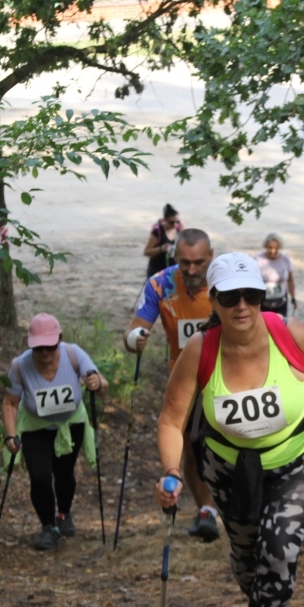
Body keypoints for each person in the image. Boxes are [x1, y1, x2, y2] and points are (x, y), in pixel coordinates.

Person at [154, 252, 304, 607]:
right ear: (215, 302)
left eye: (251, 295)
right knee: (247, 557)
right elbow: (171, 420)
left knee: (279, 546)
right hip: (230, 468)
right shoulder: (198, 352)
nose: (241, 306)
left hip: (300, 457)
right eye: (229, 297)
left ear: (263, 297)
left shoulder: (293, 335)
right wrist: (172, 471)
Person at [127, 229, 222, 542]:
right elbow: (135, 330)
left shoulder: (227, 282)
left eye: (199, 262)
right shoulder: (160, 284)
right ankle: (206, 510)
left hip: (229, 375)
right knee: (193, 448)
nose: (192, 270)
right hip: (186, 379)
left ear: (211, 256)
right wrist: (135, 340)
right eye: (185, 263)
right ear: (174, 258)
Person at [2, 313, 109, 550]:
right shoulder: (20, 365)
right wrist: (10, 435)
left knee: (64, 474)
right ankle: (48, 526)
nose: (45, 354)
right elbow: (9, 403)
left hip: (71, 425)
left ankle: (65, 513)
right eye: (38, 348)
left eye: (50, 347)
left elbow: (101, 382)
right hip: (35, 427)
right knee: (39, 478)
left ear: (59, 340)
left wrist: (97, 383)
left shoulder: (73, 354)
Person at [254, 233, 296, 317]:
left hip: (281, 301)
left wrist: (293, 298)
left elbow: (290, 280)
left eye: (276, 248)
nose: (273, 251)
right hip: (262, 302)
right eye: (270, 248)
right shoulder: (257, 260)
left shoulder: (286, 260)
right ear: (265, 246)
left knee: (280, 326)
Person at [144, 204, 182, 278]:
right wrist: (161, 249)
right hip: (157, 272)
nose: (175, 225)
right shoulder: (157, 232)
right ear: (164, 220)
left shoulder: (178, 230)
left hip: (173, 271)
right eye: (172, 222)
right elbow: (146, 252)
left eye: (177, 222)